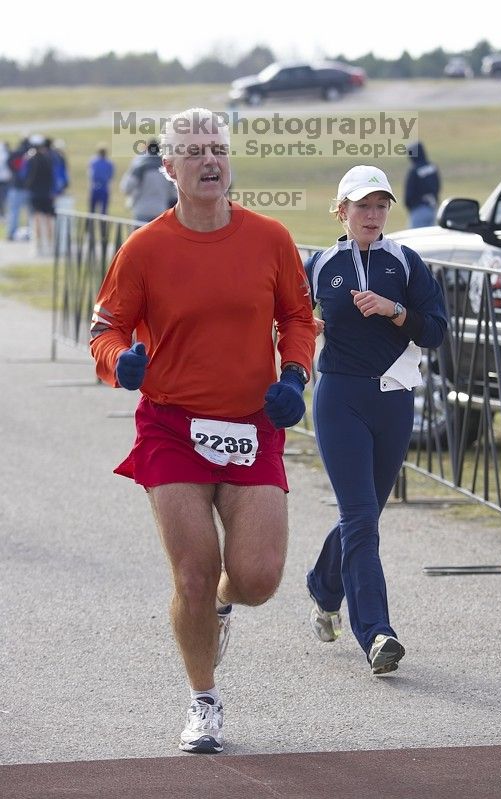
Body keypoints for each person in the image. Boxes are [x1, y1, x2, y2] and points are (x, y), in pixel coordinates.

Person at [90, 107, 315, 754]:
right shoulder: (145, 248)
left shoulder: (268, 238)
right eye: (192, 152)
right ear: (169, 168)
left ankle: (222, 602)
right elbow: (106, 329)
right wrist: (120, 361)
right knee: (192, 572)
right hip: (173, 426)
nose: (209, 160)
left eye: (216, 147)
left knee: (257, 577)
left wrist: (295, 376)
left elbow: (298, 317)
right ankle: (203, 699)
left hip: (251, 422)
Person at [305, 165, 447, 676]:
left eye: (381, 205)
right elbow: (289, 319)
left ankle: (323, 586)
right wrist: (307, 324)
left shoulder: (405, 261)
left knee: (362, 516)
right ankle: (377, 634)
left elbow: (435, 330)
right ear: (341, 211)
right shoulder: (321, 263)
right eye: (363, 205)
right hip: (339, 396)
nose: (373, 214)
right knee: (361, 518)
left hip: (393, 399)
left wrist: (395, 311)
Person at [120, 138, 178, 224]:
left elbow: (126, 187)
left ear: (147, 149)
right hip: (160, 210)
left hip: (142, 211)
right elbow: (173, 193)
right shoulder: (167, 168)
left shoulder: (140, 166)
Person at [404, 141, 441, 228]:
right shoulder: (432, 167)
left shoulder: (415, 170)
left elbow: (409, 192)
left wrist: (410, 205)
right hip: (432, 207)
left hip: (418, 208)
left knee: (413, 238)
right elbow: (437, 186)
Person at [88, 145, 115, 214]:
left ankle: (90, 224)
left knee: (92, 210)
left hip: (95, 187)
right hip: (104, 188)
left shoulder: (94, 162)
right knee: (103, 211)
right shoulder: (109, 163)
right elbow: (110, 175)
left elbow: (91, 174)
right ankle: (102, 224)